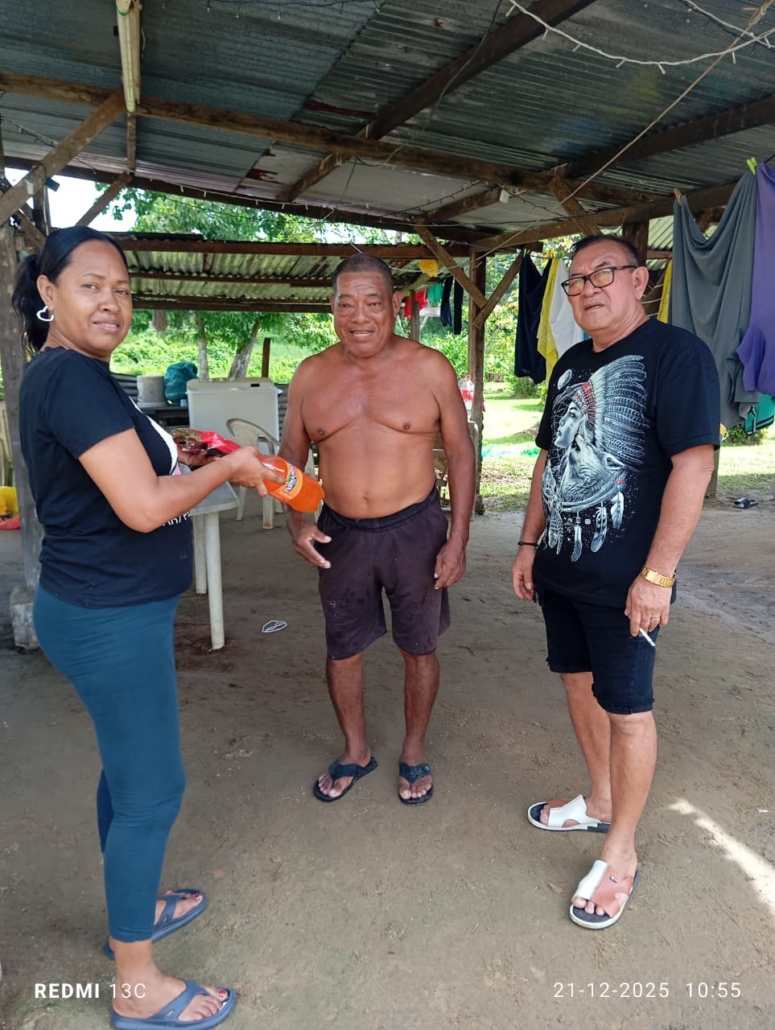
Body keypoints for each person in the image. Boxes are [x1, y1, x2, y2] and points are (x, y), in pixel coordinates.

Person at [15, 226, 282, 1029]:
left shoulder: (72, 375)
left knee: (127, 777)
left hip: (103, 606)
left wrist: (181, 461)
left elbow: (120, 478)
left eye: (123, 289)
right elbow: (139, 507)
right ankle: (135, 983)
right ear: (48, 294)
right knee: (153, 792)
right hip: (108, 617)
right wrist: (229, 467)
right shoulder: (72, 378)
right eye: (91, 285)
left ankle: (132, 910)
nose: (112, 302)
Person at [511, 235, 720, 930]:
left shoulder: (675, 355)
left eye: (603, 273)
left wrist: (657, 576)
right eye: (575, 282)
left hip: (629, 581)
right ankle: (598, 800)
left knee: (628, 710)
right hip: (562, 569)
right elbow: (547, 460)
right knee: (577, 683)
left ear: (640, 281)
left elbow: (693, 465)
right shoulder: (570, 362)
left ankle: (621, 853)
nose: (586, 289)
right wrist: (528, 543)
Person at [280, 254, 475, 804]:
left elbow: (461, 451)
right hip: (339, 531)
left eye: (372, 302)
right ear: (332, 308)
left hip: (416, 528)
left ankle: (413, 749)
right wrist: (296, 519)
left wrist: (458, 537)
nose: (359, 316)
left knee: (419, 645)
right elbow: (292, 452)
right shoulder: (311, 374)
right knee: (342, 647)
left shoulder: (429, 368)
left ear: (394, 305)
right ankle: (355, 749)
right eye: (346, 304)